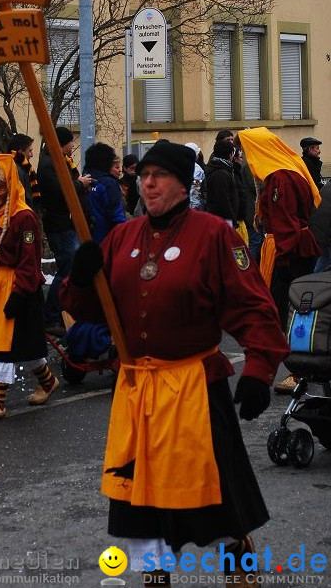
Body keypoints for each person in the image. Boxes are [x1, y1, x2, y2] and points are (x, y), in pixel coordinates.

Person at [61, 139, 288, 586]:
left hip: (195, 388)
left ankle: (240, 570)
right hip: (138, 389)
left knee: (218, 495)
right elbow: (89, 309)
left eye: (159, 175)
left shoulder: (214, 234)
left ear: (183, 185)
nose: (147, 183)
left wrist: (260, 371)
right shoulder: (123, 237)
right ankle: (154, 575)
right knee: (138, 497)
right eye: (144, 175)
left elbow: (253, 307)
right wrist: (83, 279)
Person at [0, 154, 59, 419]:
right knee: (23, 347)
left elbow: (29, 261)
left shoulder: (23, 218)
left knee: (4, 345)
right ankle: (48, 381)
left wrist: (19, 294)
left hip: (16, 287)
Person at [239, 127, 320, 395]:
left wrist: (283, 254)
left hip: (288, 251)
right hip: (293, 248)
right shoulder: (288, 171)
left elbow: (286, 221)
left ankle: (296, 371)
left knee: (282, 310)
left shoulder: (281, 179)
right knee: (288, 309)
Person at [37, 126, 92, 335]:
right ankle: (51, 316)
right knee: (67, 268)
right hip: (60, 226)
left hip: (65, 224)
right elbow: (62, 191)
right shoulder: (49, 165)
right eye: (70, 142)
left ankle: (58, 314)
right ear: (63, 143)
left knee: (70, 268)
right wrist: (79, 183)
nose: (72, 145)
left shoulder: (56, 162)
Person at [84, 143, 126, 243]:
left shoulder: (83, 181)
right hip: (107, 238)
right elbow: (116, 214)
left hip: (86, 238)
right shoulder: (108, 184)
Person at [204, 139, 239, 227]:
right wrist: (232, 218)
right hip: (223, 221)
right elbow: (223, 200)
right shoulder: (221, 174)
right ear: (230, 155)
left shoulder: (220, 169)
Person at [7, 133, 42, 213]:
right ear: (20, 151)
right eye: (30, 151)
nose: (32, 155)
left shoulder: (24, 168)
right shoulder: (17, 170)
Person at [184, 142, 205, 211]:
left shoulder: (180, 165)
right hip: (192, 206)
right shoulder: (197, 170)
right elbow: (196, 189)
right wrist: (195, 205)